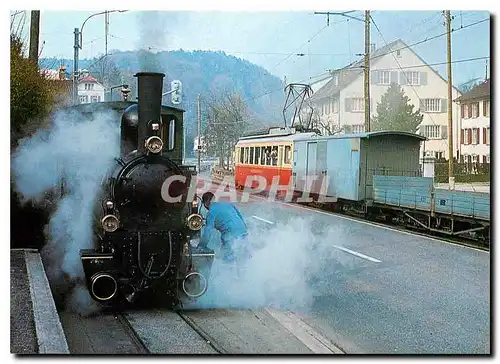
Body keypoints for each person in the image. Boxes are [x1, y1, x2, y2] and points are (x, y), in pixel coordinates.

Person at [198, 191, 249, 264]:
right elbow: (240, 217)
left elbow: (208, 232)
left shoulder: (211, 212)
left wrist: (201, 246)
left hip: (231, 236)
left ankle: (229, 274)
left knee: (227, 261)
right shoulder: (228, 204)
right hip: (243, 232)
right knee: (244, 259)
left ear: (205, 203)